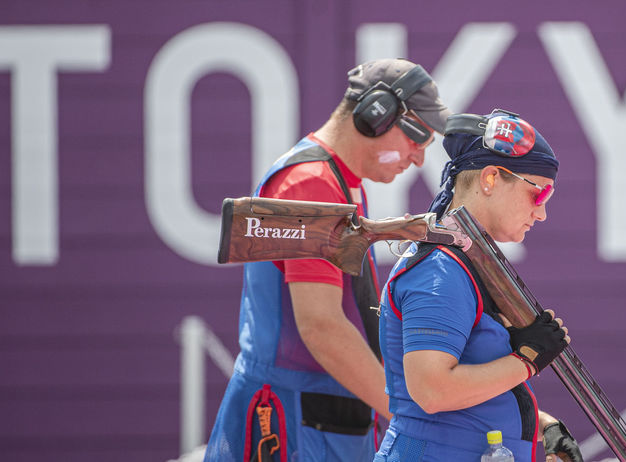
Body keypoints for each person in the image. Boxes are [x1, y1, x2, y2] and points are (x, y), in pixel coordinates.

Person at [204, 58, 451, 462]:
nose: (420, 158)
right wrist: (411, 417)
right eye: (417, 138)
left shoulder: (338, 181)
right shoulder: (311, 185)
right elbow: (322, 328)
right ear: (377, 114)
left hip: (317, 417)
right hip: (299, 426)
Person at [373, 109, 584, 462]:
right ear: (490, 179)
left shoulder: (461, 263)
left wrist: (539, 426)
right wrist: (527, 360)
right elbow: (432, 391)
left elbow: (468, 393)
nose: (542, 212)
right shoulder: (440, 270)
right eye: (539, 194)